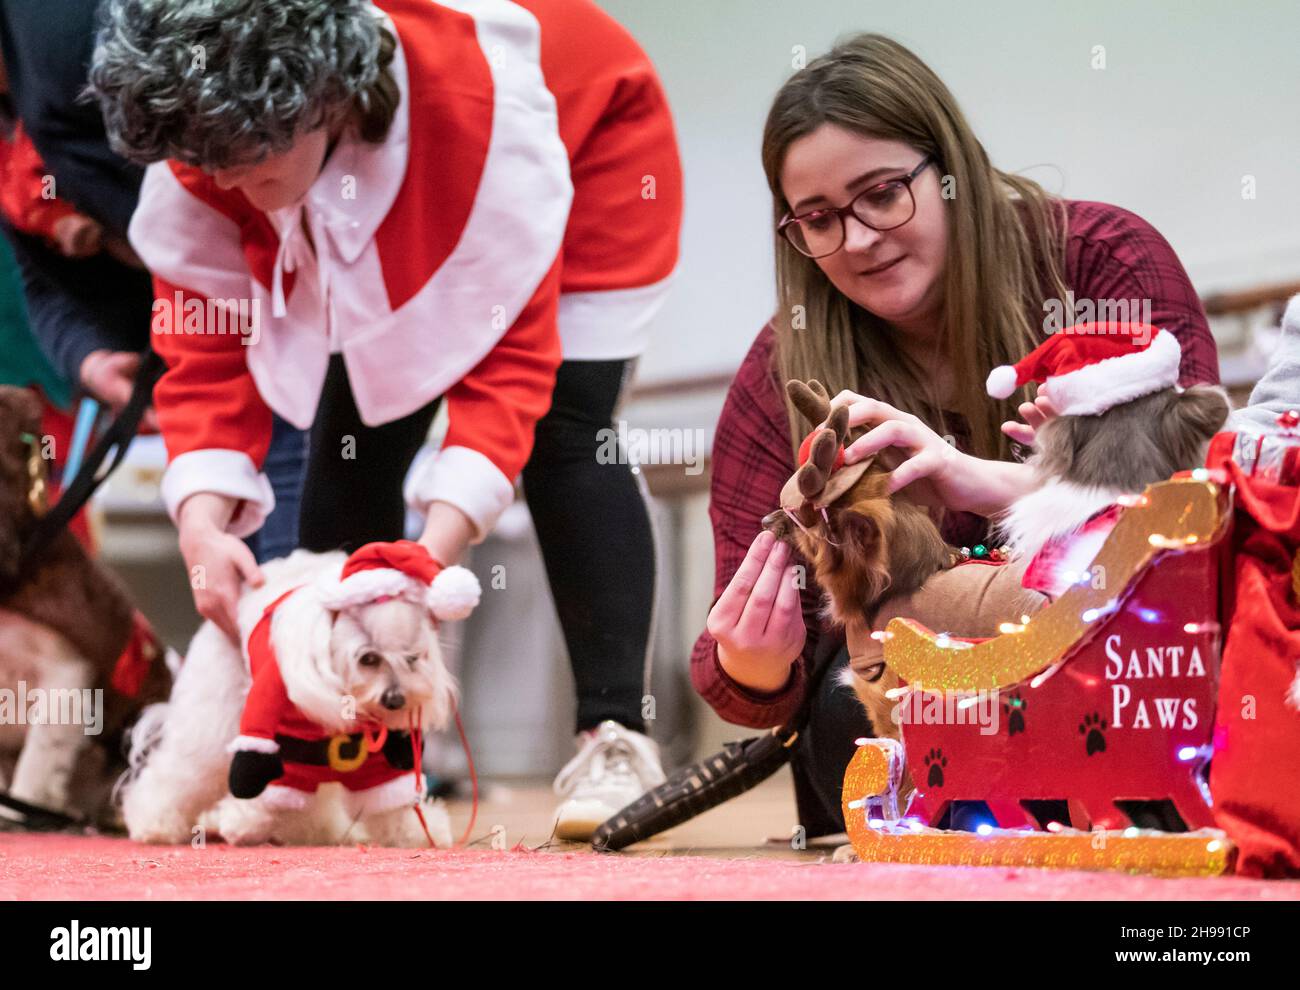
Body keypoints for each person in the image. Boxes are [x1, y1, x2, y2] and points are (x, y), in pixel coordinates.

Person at [89, 0, 682, 837]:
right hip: (374, 167)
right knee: (348, 454)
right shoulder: (207, 137)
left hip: (588, 142)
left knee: (563, 426)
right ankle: (342, 761)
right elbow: (205, 344)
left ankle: (615, 735)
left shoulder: (480, 118)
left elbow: (508, 364)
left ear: (325, 100)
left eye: (246, 165)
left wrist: (425, 569)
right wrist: (201, 522)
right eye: (203, 165)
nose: (223, 185)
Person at [690, 34, 1220, 836]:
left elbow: (1192, 518)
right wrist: (755, 666)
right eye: (819, 218)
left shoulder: (1100, 261)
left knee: (1149, 678)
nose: (859, 238)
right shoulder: (780, 372)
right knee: (846, 711)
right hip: (906, 726)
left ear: (950, 171)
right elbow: (740, 675)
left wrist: (986, 479)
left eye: (881, 194)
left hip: (1120, 665)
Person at [0, 0, 306, 563]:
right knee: (239, 557)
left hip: (284, 301)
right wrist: (89, 358)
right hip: (186, 346)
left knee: (295, 558)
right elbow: (40, 285)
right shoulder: (20, 138)